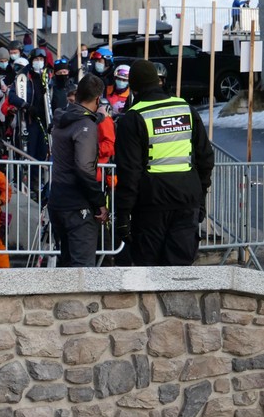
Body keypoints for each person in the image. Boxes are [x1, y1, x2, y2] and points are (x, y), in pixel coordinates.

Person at [115, 60, 214, 266]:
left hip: (151, 205)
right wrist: (201, 197)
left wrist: (123, 215)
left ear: (133, 87)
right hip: (187, 200)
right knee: (180, 273)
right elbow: (205, 158)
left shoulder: (133, 117)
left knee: (150, 274)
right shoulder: (186, 109)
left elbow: (129, 172)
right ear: (157, 81)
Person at [48, 74, 109, 267]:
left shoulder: (62, 119)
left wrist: (97, 118)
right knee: (82, 271)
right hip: (78, 204)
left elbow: (79, 117)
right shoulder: (86, 126)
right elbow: (83, 167)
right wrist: (99, 201)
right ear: (98, 99)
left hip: (57, 199)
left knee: (66, 266)